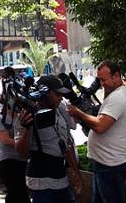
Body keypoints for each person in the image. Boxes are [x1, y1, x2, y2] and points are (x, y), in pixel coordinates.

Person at [67, 60, 126, 203]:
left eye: (104, 79)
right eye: (100, 80)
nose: (102, 84)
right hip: (105, 162)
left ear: (116, 76)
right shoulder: (115, 94)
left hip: (110, 165)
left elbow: (100, 126)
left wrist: (79, 112)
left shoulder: (118, 97)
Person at [14, 75, 84, 203]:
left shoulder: (60, 108)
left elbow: (66, 144)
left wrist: (76, 173)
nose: (61, 97)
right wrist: (27, 128)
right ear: (45, 94)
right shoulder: (27, 114)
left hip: (61, 180)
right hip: (41, 183)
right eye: (57, 94)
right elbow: (21, 152)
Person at [0, 103, 28, 203]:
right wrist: (24, 142)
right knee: (17, 191)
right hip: (7, 159)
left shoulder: (25, 114)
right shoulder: (0, 115)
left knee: (18, 193)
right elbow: (4, 139)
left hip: (23, 158)